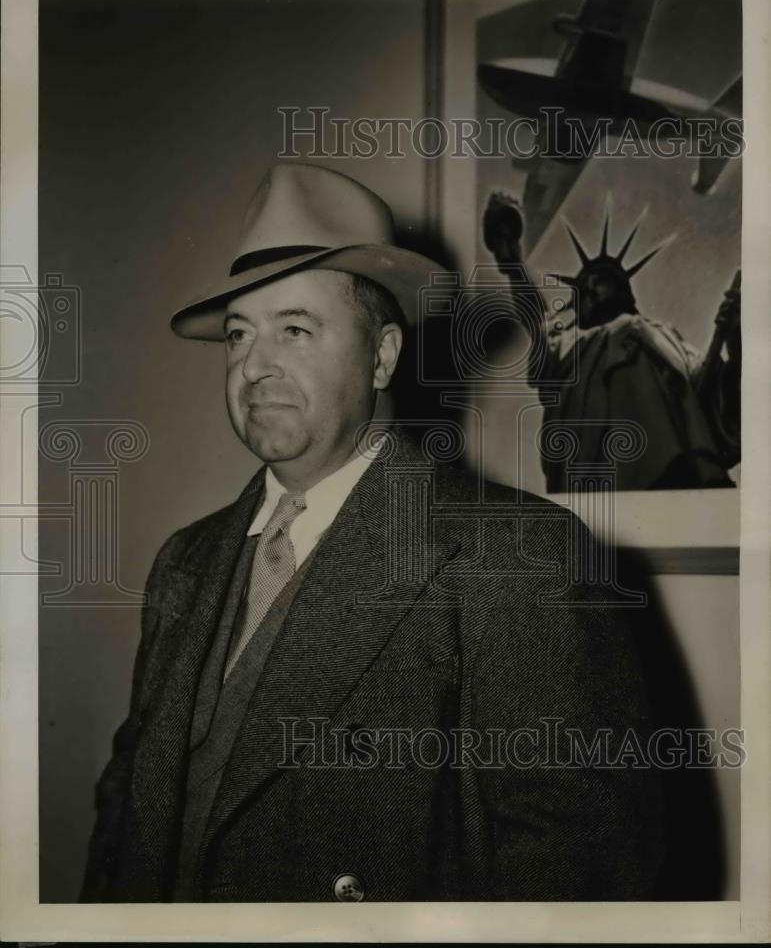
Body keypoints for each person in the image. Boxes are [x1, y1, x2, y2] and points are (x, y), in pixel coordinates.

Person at [81, 164, 662, 903]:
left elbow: (581, 876)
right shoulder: (184, 562)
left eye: (294, 329)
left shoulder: (519, 556)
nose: (254, 365)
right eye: (237, 334)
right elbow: (123, 825)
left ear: (382, 355)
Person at [483, 190, 741, 492]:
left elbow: (708, 393)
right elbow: (537, 320)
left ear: (625, 293)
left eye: (600, 282)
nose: (591, 292)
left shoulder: (663, 335)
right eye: (584, 291)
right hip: (597, 481)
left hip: (677, 481)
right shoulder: (572, 344)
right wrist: (513, 264)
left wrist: (735, 342)